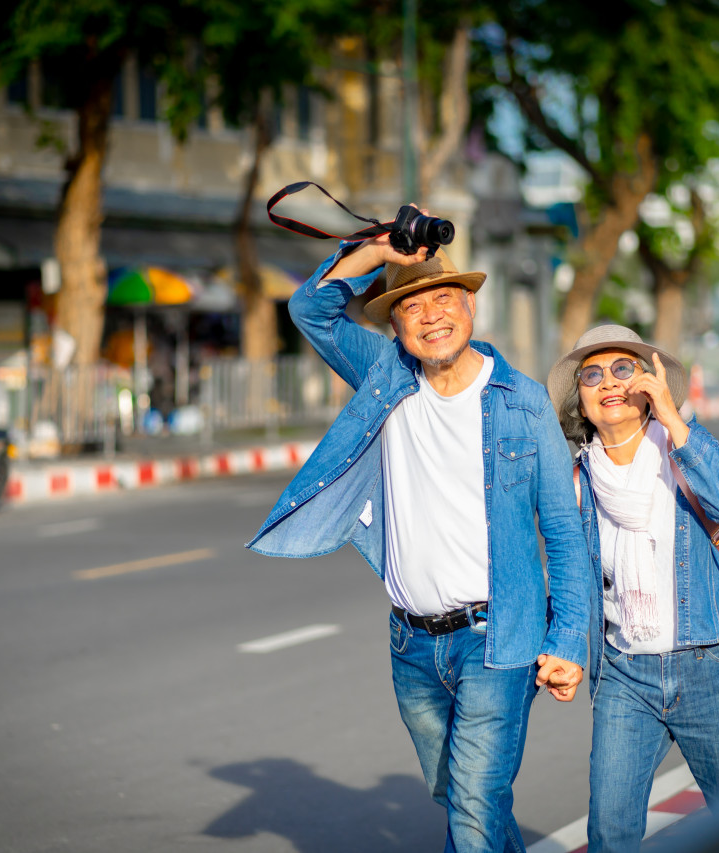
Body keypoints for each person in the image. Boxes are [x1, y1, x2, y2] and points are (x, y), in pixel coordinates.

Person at [247, 222, 592, 853]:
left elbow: (564, 532)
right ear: (395, 324)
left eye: (442, 299)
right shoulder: (386, 373)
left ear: (470, 305)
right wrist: (378, 250)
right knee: (458, 795)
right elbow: (310, 310)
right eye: (410, 307)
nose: (430, 317)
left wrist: (568, 639)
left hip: (500, 637)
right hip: (411, 642)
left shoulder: (524, 402)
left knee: (474, 800)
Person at [546, 325, 719, 853]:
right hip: (625, 674)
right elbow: (570, 578)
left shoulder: (683, 446)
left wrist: (672, 414)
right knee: (609, 833)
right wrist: (562, 648)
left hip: (714, 666)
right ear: (581, 400)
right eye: (592, 375)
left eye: (623, 369)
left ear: (648, 383)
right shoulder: (575, 479)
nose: (608, 382)